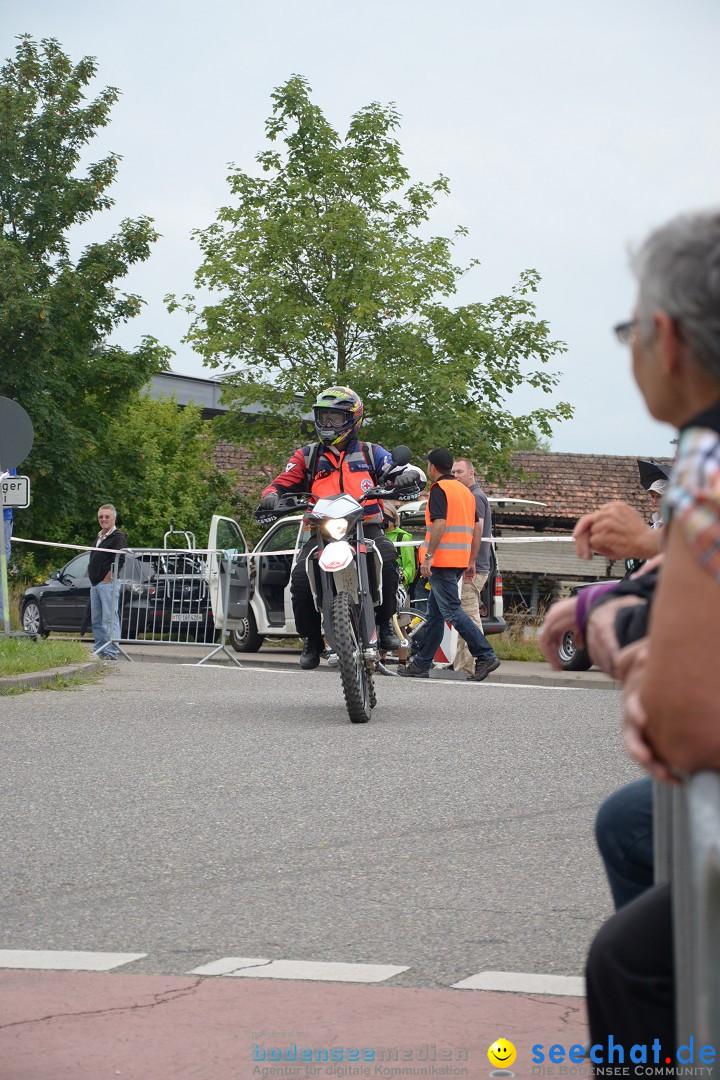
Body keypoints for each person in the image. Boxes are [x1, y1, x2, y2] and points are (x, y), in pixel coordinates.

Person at [582, 209, 720, 1057]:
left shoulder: (705, 457)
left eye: (629, 328)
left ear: (664, 338)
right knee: (633, 823)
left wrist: (619, 624)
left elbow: (686, 724)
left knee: (627, 964)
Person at [259, 386, 423, 670]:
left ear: (353, 419)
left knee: (387, 556)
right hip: (322, 531)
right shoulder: (307, 456)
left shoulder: (371, 453)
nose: (328, 425)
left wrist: (407, 476)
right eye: (323, 418)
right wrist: (270, 497)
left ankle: (384, 624)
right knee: (299, 577)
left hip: (365, 526)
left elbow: (400, 469)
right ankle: (311, 639)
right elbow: (280, 483)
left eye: (335, 418)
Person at [398, 448, 501, 682]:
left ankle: (485, 655)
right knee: (435, 615)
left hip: (442, 561)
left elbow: (440, 523)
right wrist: (471, 560)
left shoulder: (439, 489)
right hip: (459, 560)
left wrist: (428, 557)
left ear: (432, 468)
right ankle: (421, 663)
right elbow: (477, 528)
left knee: (452, 612)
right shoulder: (465, 492)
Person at [450, 457, 499, 678]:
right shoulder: (471, 496)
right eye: (453, 472)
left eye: (459, 471)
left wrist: (469, 562)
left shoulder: (474, 497)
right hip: (473, 565)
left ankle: (477, 662)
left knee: (469, 618)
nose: (455, 475)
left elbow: (476, 530)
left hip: (473, 567)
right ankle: (465, 666)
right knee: (465, 615)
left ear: (472, 473)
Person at [88, 504, 126, 660]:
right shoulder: (99, 536)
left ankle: (111, 652)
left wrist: (108, 576)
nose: (103, 519)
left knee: (109, 619)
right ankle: (99, 649)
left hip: (107, 584)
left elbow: (120, 558)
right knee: (96, 619)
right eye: (101, 517)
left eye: (106, 516)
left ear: (113, 518)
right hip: (95, 584)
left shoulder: (118, 537)